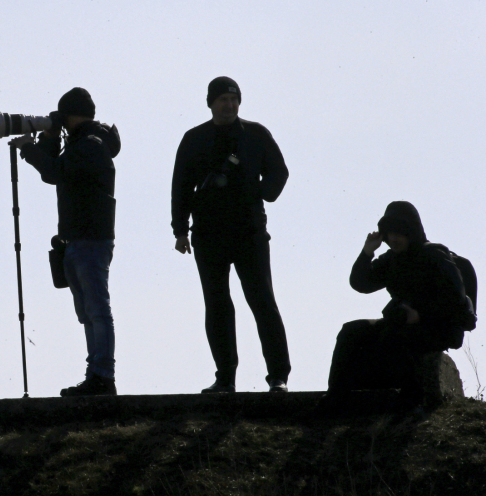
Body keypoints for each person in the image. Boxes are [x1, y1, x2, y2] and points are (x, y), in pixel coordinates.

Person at [171, 76, 291, 394]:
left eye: (234, 99)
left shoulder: (255, 134)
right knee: (217, 305)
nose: (229, 104)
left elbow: (280, 171)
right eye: (223, 99)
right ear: (210, 102)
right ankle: (225, 378)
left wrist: (262, 191)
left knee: (262, 301)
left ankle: (279, 376)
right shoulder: (194, 139)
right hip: (208, 235)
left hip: (250, 232)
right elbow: (180, 186)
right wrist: (180, 230)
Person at [8, 87, 121, 396]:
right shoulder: (83, 144)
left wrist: (31, 148)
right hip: (77, 241)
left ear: (71, 115)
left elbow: (54, 171)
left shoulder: (91, 146)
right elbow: (56, 168)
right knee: (88, 313)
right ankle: (96, 374)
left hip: (91, 241)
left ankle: (103, 376)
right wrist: (49, 136)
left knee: (97, 310)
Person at [318, 201, 474, 412]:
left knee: (396, 337)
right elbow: (361, 283)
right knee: (351, 332)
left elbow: (458, 305)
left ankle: (409, 400)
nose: (393, 238)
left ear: (411, 232)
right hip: (402, 322)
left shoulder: (434, 256)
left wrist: (420, 316)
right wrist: (367, 252)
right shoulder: (393, 260)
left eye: (399, 233)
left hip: (436, 326)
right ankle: (336, 397)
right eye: (389, 233)